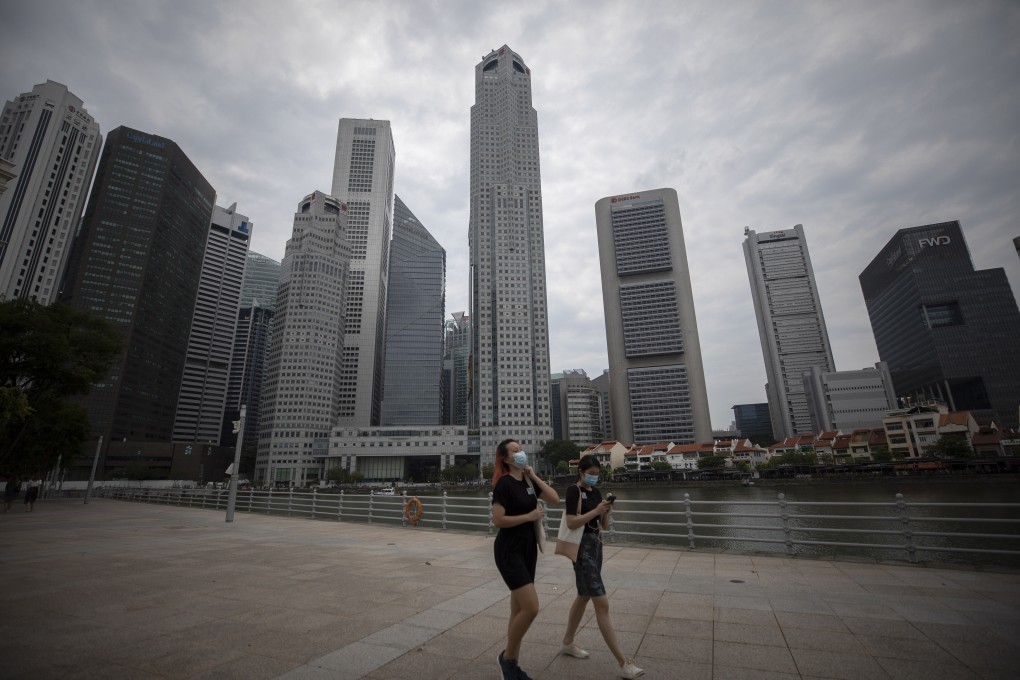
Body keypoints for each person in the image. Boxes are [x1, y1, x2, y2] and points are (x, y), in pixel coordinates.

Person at [559, 454, 643, 679]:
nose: (595, 478)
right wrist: (595, 511)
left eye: (597, 474)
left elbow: (602, 525)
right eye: (591, 474)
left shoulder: (595, 492)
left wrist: (606, 511)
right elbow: (571, 522)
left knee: (584, 595)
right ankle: (623, 662)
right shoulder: (573, 491)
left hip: (596, 546)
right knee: (601, 602)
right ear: (581, 471)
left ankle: (567, 642)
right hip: (581, 550)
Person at [491, 438, 560, 680]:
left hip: (528, 550)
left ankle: (513, 666)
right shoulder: (503, 485)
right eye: (516, 450)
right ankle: (507, 659)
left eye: (521, 449)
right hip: (509, 551)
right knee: (531, 607)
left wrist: (534, 475)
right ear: (506, 459)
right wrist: (529, 515)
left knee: (517, 610)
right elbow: (498, 520)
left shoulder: (528, 481)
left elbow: (554, 498)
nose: (521, 453)